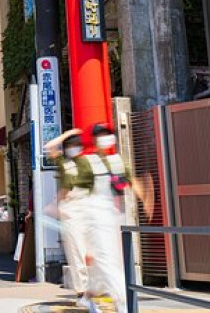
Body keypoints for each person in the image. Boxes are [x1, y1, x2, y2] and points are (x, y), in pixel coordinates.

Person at [82, 123, 145, 313]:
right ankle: (122, 303)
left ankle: (88, 297)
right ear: (93, 139)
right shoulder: (88, 162)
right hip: (94, 217)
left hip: (112, 217)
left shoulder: (117, 161)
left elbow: (130, 180)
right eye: (100, 135)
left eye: (107, 134)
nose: (105, 138)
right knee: (107, 262)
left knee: (107, 264)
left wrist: (144, 199)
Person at [45, 128, 94, 310]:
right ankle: (82, 293)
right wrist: (68, 134)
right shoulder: (64, 164)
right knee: (77, 252)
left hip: (88, 209)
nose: (74, 148)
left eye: (76, 145)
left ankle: (94, 290)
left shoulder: (88, 163)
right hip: (71, 212)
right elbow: (49, 146)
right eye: (70, 146)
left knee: (93, 251)